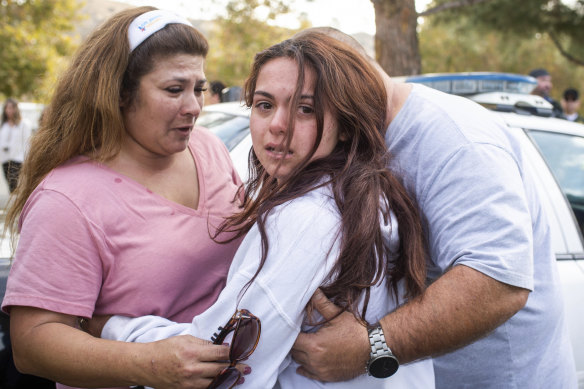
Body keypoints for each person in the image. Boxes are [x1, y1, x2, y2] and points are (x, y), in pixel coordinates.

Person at [94, 32, 434, 388]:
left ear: (346, 125)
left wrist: (112, 327)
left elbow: (218, 361)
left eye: (306, 109)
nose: (277, 125)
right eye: (264, 104)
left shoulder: (305, 218)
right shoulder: (365, 193)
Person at [288, 28, 577, 389]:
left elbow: (498, 282)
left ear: (356, 75)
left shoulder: (457, 140)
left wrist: (369, 347)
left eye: (309, 105)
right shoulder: (364, 135)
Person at [1, 7, 249, 389]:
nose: (194, 106)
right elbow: (32, 342)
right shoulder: (67, 199)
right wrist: (147, 363)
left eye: (198, 88)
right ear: (118, 92)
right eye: (173, 89)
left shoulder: (209, 148)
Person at [0, 98, 33, 192]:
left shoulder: (23, 124)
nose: (9, 110)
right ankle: (14, 202)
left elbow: (27, 142)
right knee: (10, 184)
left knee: (14, 182)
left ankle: (16, 202)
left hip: (18, 158)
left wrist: (27, 159)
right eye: (7, 108)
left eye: (11, 108)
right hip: (5, 158)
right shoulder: (2, 125)